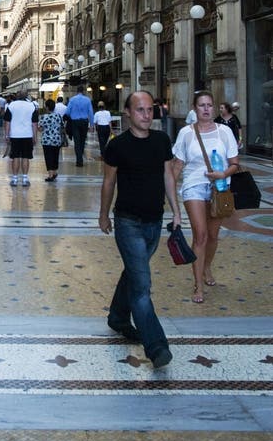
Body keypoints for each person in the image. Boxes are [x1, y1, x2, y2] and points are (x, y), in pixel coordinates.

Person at [99, 90, 181, 369]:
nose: (147, 115)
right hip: (127, 221)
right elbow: (108, 183)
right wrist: (103, 215)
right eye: (140, 110)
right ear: (128, 113)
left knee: (134, 273)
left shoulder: (161, 140)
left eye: (150, 110)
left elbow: (168, 176)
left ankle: (118, 318)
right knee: (142, 286)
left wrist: (177, 211)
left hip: (154, 222)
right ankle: (156, 346)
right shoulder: (117, 145)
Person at [172, 90, 239, 304]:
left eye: (210, 105)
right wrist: (168, 190)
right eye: (202, 105)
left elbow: (235, 163)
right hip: (193, 186)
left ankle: (207, 265)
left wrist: (223, 174)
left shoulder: (225, 132)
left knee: (212, 235)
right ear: (194, 108)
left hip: (219, 188)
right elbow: (178, 164)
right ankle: (198, 284)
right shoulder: (186, 133)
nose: (207, 109)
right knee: (200, 235)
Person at [3, 89, 39, 186]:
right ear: (27, 96)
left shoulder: (11, 105)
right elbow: (34, 124)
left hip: (15, 135)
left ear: (17, 96)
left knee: (15, 157)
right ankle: (25, 179)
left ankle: (14, 179)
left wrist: (6, 135)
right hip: (27, 135)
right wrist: (35, 137)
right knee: (25, 157)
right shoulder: (32, 106)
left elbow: (7, 122)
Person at [64, 84, 94, 166]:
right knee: (83, 140)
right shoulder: (87, 100)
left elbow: (67, 112)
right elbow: (91, 113)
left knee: (77, 141)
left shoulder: (72, 100)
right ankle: (80, 157)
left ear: (77, 91)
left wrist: (72, 115)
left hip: (75, 122)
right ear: (83, 91)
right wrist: (92, 125)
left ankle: (79, 160)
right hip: (84, 122)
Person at [38, 98, 63, 182]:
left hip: (47, 140)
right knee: (55, 156)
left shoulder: (44, 117)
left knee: (48, 157)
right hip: (57, 139)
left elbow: (40, 129)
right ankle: (55, 172)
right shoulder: (58, 116)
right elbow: (61, 127)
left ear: (47, 107)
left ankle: (50, 175)